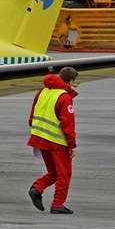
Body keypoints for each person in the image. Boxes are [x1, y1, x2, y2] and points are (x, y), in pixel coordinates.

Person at [27, 66, 78, 214]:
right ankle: (57, 204)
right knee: (64, 174)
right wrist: (71, 145)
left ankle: (37, 188)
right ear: (70, 81)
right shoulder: (64, 97)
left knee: (53, 172)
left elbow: (31, 117)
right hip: (57, 141)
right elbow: (68, 124)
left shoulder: (42, 92)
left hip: (39, 138)